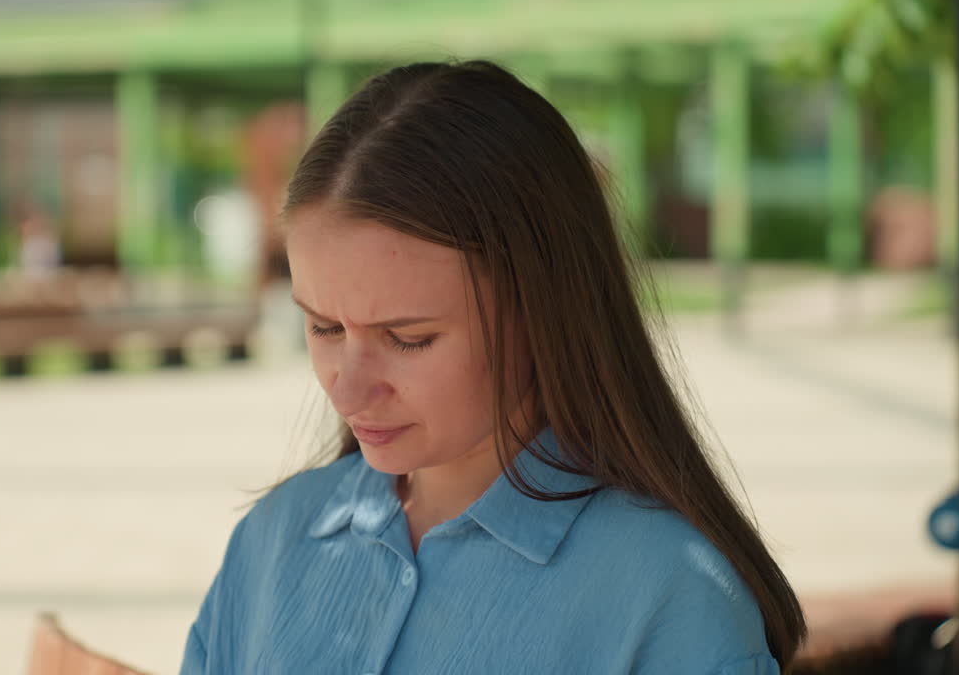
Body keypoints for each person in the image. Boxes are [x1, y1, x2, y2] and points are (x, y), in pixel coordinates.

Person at [179, 60, 806, 674]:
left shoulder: (669, 596)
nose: (346, 389)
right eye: (322, 327)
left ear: (544, 309)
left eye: (407, 338)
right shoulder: (270, 542)